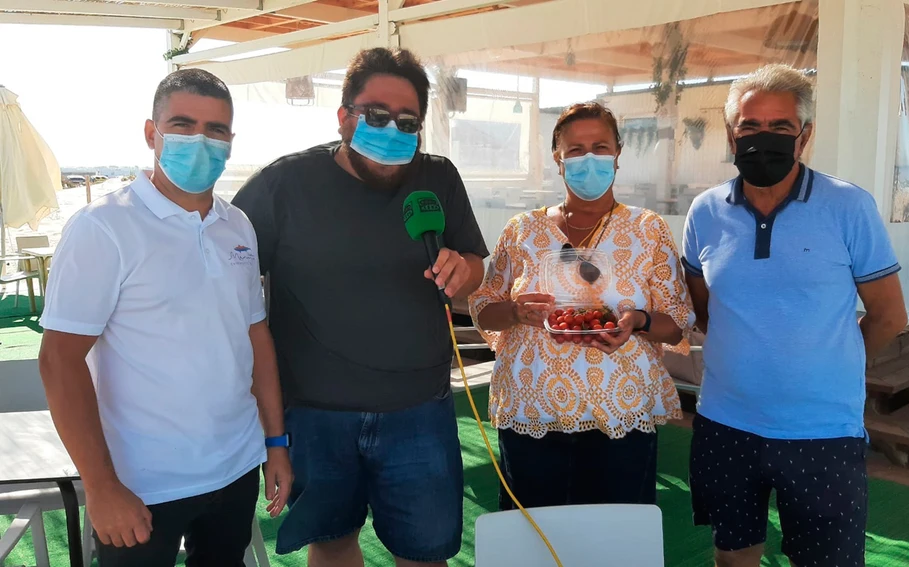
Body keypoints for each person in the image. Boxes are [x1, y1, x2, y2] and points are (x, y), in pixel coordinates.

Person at [231, 47, 488, 567]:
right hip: (315, 413)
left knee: (426, 551)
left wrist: (465, 269)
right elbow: (224, 268)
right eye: (375, 115)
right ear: (344, 115)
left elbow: (475, 261)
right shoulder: (284, 184)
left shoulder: (437, 177)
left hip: (421, 409)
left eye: (407, 121)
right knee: (331, 541)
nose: (392, 129)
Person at [37, 69, 292, 566]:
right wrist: (101, 486)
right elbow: (59, 362)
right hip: (141, 484)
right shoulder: (103, 228)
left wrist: (274, 443)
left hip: (236, 468)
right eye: (183, 124)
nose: (201, 140)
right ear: (152, 133)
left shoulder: (236, 223)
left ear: (231, 140)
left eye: (217, 129)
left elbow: (254, 336)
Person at [681, 64, 909, 567]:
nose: (764, 138)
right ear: (730, 134)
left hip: (823, 430)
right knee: (732, 554)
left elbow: (889, 315)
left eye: (781, 127)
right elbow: (704, 308)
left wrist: (832, 363)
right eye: (750, 127)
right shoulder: (705, 211)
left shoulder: (849, 206)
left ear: (804, 136)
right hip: (725, 424)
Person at [469, 102, 694, 510]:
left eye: (600, 147)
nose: (589, 159)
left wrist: (638, 321)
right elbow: (484, 306)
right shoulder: (522, 229)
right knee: (536, 532)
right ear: (557, 158)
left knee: (614, 535)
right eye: (575, 150)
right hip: (533, 408)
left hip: (620, 410)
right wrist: (517, 311)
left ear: (617, 155)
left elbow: (677, 323)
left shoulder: (647, 229)